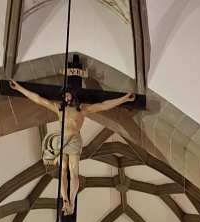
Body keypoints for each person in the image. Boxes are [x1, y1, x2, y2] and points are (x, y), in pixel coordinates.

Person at [10, 80, 136, 214]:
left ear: (73, 95)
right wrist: (19, 88)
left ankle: (72, 201)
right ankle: (65, 200)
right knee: (63, 171)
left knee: (73, 171)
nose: (65, 96)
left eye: (67, 94)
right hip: (62, 140)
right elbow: (38, 99)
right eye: (64, 95)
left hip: (74, 140)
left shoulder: (82, 110)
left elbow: (103, 105)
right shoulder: (59, 109)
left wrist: (123, 99)